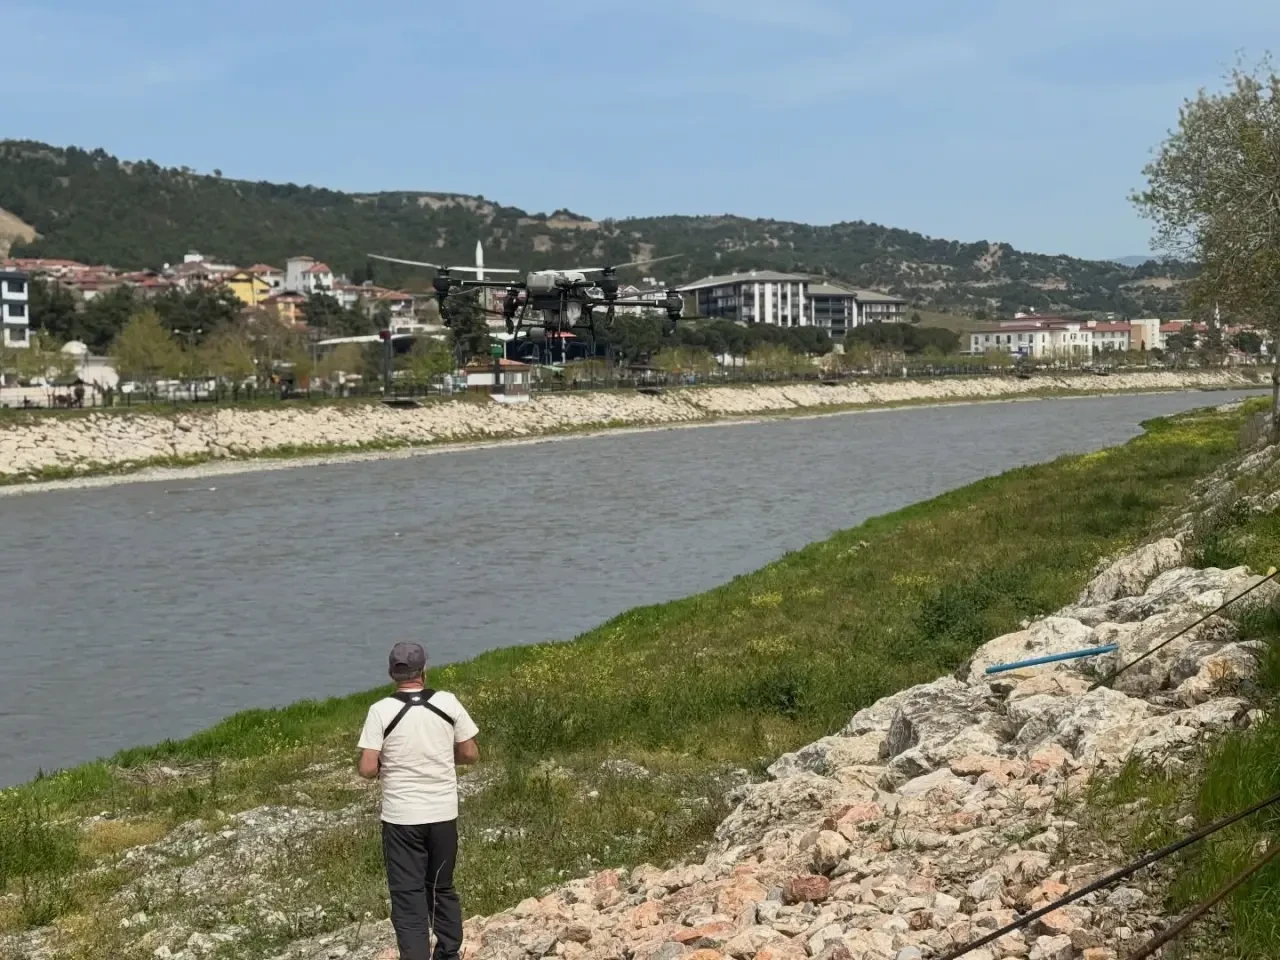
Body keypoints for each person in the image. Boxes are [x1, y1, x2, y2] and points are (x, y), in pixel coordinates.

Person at [358, 642, 480, 960]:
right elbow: (470, 753)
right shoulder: (447, 702)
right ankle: (448, 953)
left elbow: (367, 768)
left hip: (401, 818)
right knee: (441, 887)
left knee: (408, 895)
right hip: (442, 813)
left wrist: (387, 764)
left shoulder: (380, 711)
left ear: (391, 673)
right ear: (425, 670)